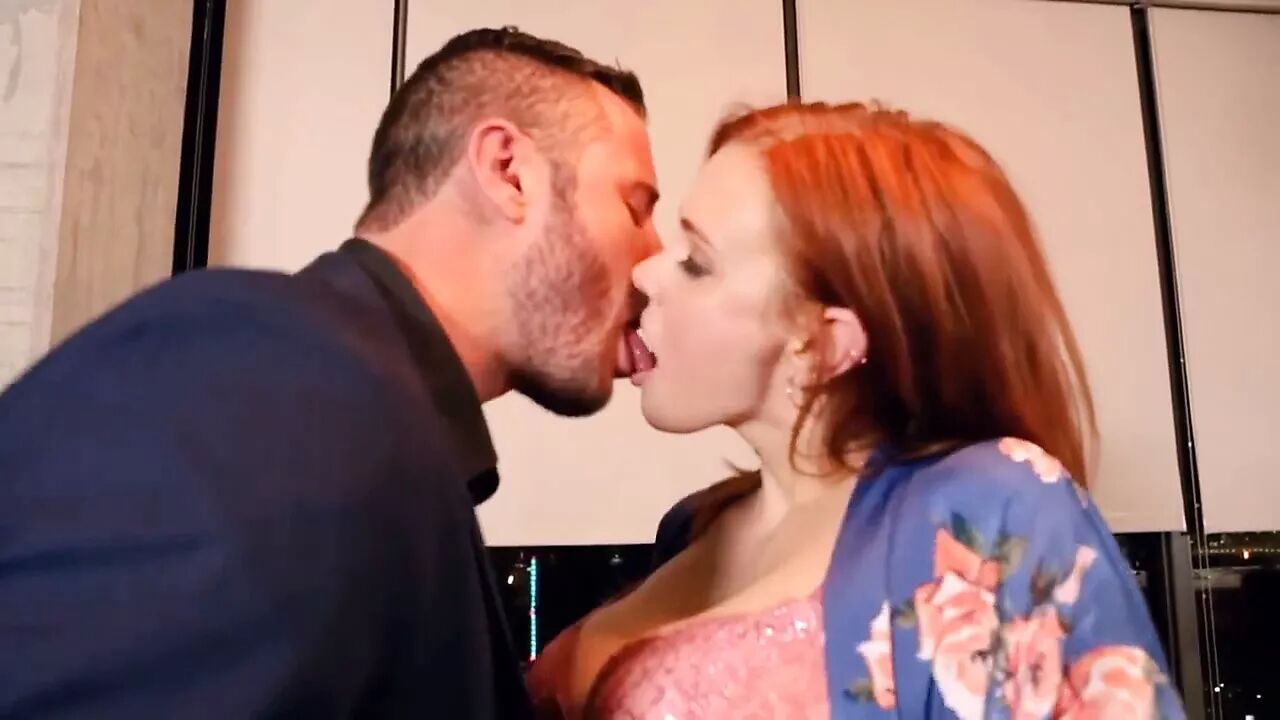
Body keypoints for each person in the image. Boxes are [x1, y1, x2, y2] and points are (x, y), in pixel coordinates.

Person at [0, 27, 659, 719]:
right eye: (636, 207)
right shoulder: (278, 381)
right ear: (509, 171)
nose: (655, 259)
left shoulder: (346, 404)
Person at [527, 102, 1186, 718]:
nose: (645, 274)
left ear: (823, 344)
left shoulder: (988, 509)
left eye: (698, 262)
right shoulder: (698, 525)